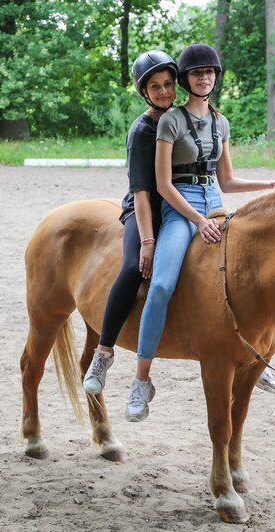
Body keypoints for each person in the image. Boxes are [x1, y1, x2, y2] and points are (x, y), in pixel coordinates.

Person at [125, 43, 275, 422]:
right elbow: (162, 184)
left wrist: (270, 184)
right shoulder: (170, 121)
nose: (204, 78)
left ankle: (255, 357)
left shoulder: (221, 122)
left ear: (216, 77)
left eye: (209, 72)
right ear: (186, 79)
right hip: (182, 208)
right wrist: (198, 221)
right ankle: (141, 379)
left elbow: (227, 180)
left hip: (216, 203)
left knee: (251, 275)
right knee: (161, 285)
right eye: (197, 73)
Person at [82, 51, 178, 396]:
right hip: (145, 208)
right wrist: (148, 241)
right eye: (155, 87)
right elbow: (140, 191)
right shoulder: (142, 131)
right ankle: (103, 351)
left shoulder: (181, 118)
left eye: (168, 84)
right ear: (144, 92)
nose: (164, 91)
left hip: (179, 207)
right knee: (132, 268)